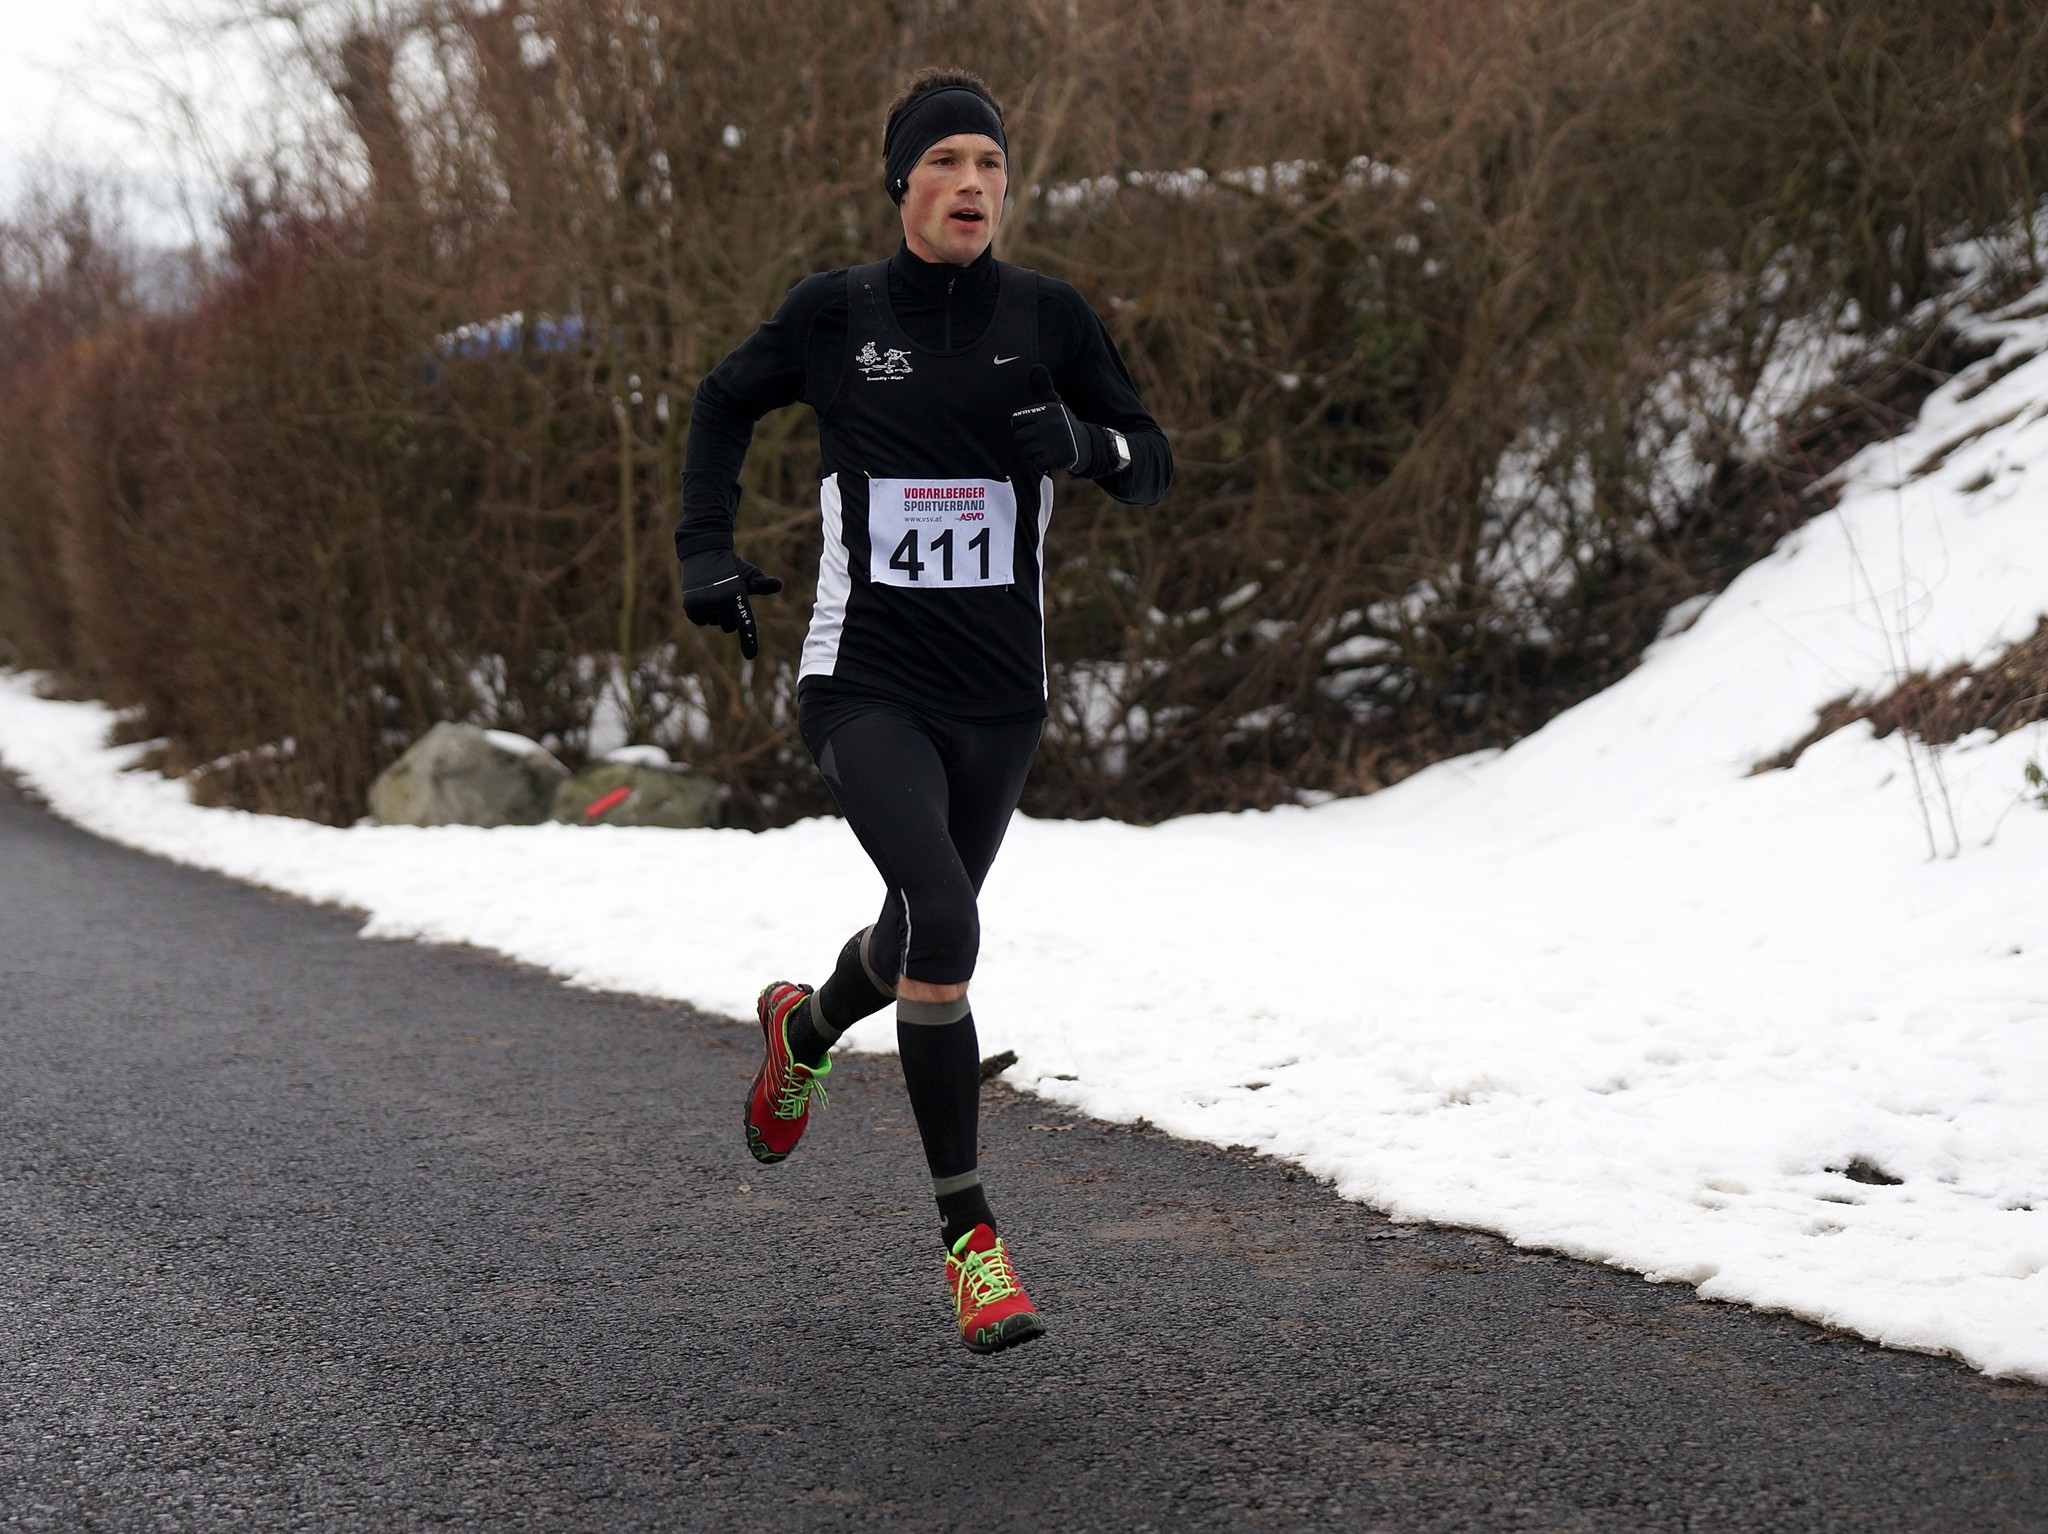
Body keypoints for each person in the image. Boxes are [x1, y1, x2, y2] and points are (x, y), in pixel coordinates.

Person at [674, 67, 1173, 1354]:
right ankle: (972, 1244)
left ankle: (807, 1023)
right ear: (903, 184)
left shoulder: (1047, 317)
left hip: (1001, 699)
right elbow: (723, 400)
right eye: (946, 162)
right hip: (866, 680)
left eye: (991, 166)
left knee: (913, 936)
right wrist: (704, 550)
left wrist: (1077, 441)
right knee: (948, 918)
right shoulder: (836, 316)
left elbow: (1147, 464)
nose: (972, 184)